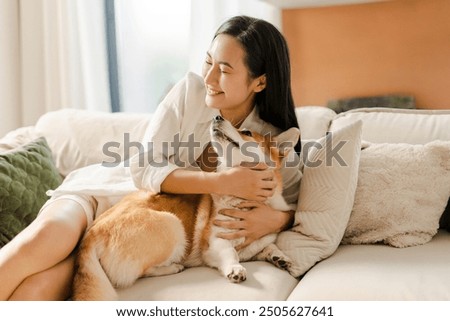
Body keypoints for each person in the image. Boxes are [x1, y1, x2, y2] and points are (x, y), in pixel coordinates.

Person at [0, 15, 302, 300]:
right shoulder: (189, 93)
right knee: (46, 238)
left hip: (136, 237)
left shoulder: (269, 141)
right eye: (208, 62)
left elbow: (301, 200)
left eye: (223, 70)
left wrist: (277, 218)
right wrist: (222, 181)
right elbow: (144, 169)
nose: (209, 77)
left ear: (259, 82)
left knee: (39, 287)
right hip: (105, 197)